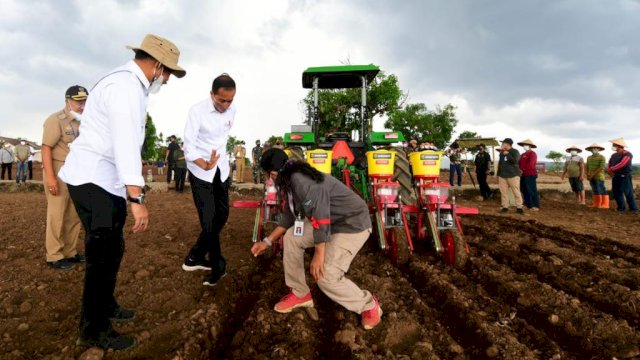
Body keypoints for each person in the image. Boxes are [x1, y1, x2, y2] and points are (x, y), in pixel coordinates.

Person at [58, 34, 186, 350]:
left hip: (101, 179)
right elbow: (125, 143)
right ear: (156, 65)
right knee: (102, 255)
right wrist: (136, 198)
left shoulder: (123, 83)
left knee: (112, 248)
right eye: (168, 72)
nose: (167, 80)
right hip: (94, 179)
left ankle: (107, 305)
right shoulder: (126, 88)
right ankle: (93, 329)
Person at [251, 149, 382, 330]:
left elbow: (320, 216)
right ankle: (300, 294)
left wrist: (319, 254)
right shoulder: (290, 180)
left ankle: (369, 305)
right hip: (331, 221)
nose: (268, 180)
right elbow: (290, 216)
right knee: (292, 237)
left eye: (267, 175)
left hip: (351, 225)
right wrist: (266, 241)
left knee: (325, 276)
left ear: (273, 173)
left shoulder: (302, 181)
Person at [182, 73, 236, 286]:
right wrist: (202, 162)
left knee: (222, 215)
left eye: (230, 100)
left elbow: (222, 140)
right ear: (211, 94)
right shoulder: (197, 111)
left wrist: (221, 164)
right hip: (200, 171)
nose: (226, 105)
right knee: (210, 220)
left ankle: (194, 256)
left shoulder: (233, 110)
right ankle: (217, 265)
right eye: (221, 100)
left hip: (220, 170)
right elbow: (189, 143)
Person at [42, 85, 87, 270]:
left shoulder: (85, 121)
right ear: (67, 101)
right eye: (78, 102)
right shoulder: (56, 120)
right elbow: (46, 148)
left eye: (84, 101)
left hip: (77, 171)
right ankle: (54, 255)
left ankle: (70, 251)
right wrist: (51, 178)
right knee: (57, 213)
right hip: (59, 169)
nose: (82, 105)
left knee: (74, 214)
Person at [607, 138, 638, 213]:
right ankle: (621, 208)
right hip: (616, 175)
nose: (613, 146)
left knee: (628, 192)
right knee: (617, 192)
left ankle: (633, 209)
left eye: (614, 145)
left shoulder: (627, 154)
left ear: (619, 146)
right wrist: (609, 170)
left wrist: (612, 169)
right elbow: (609, 163)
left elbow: (623, 164)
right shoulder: (613, 155)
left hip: (624, 176)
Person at [496, 138, 524, 214]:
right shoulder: (501, 153)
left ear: (508, 144)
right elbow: (500, 164)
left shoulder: (515, 152)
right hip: (502, 175)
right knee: (503, 192)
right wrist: (498, 174)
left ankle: (519, 207)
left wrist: (507, 154)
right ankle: (505, 206)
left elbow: (515, 161)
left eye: (503, 143)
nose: (502, 145)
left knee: (516, 191)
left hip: (513, 175)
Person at [517, 139, 540, 211]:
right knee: (525, 190)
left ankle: (535, 205)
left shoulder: (532, 154)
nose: (524, 146)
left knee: (531, 190)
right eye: (524, 145)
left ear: (530, 146)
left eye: (526, 145)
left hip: (530, 174)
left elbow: (531, 165)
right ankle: (528, 205)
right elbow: (518, 163)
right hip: (522, 175)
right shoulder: (522, 155)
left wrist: (522, 169)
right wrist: (519, 170)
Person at [585, 143, 609, 209]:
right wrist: (587, 174)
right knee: (595, 189)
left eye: (596, 148)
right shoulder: (589, 157)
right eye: (592, 149)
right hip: (591, 176)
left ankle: (605, 204)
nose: (594, 150)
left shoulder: (602, 157)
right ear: (590, 150)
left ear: (599, 149)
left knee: (601, 189)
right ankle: (597, 204)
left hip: (599, 176)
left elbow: (601, 167)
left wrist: (592, 174)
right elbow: (587, 166)